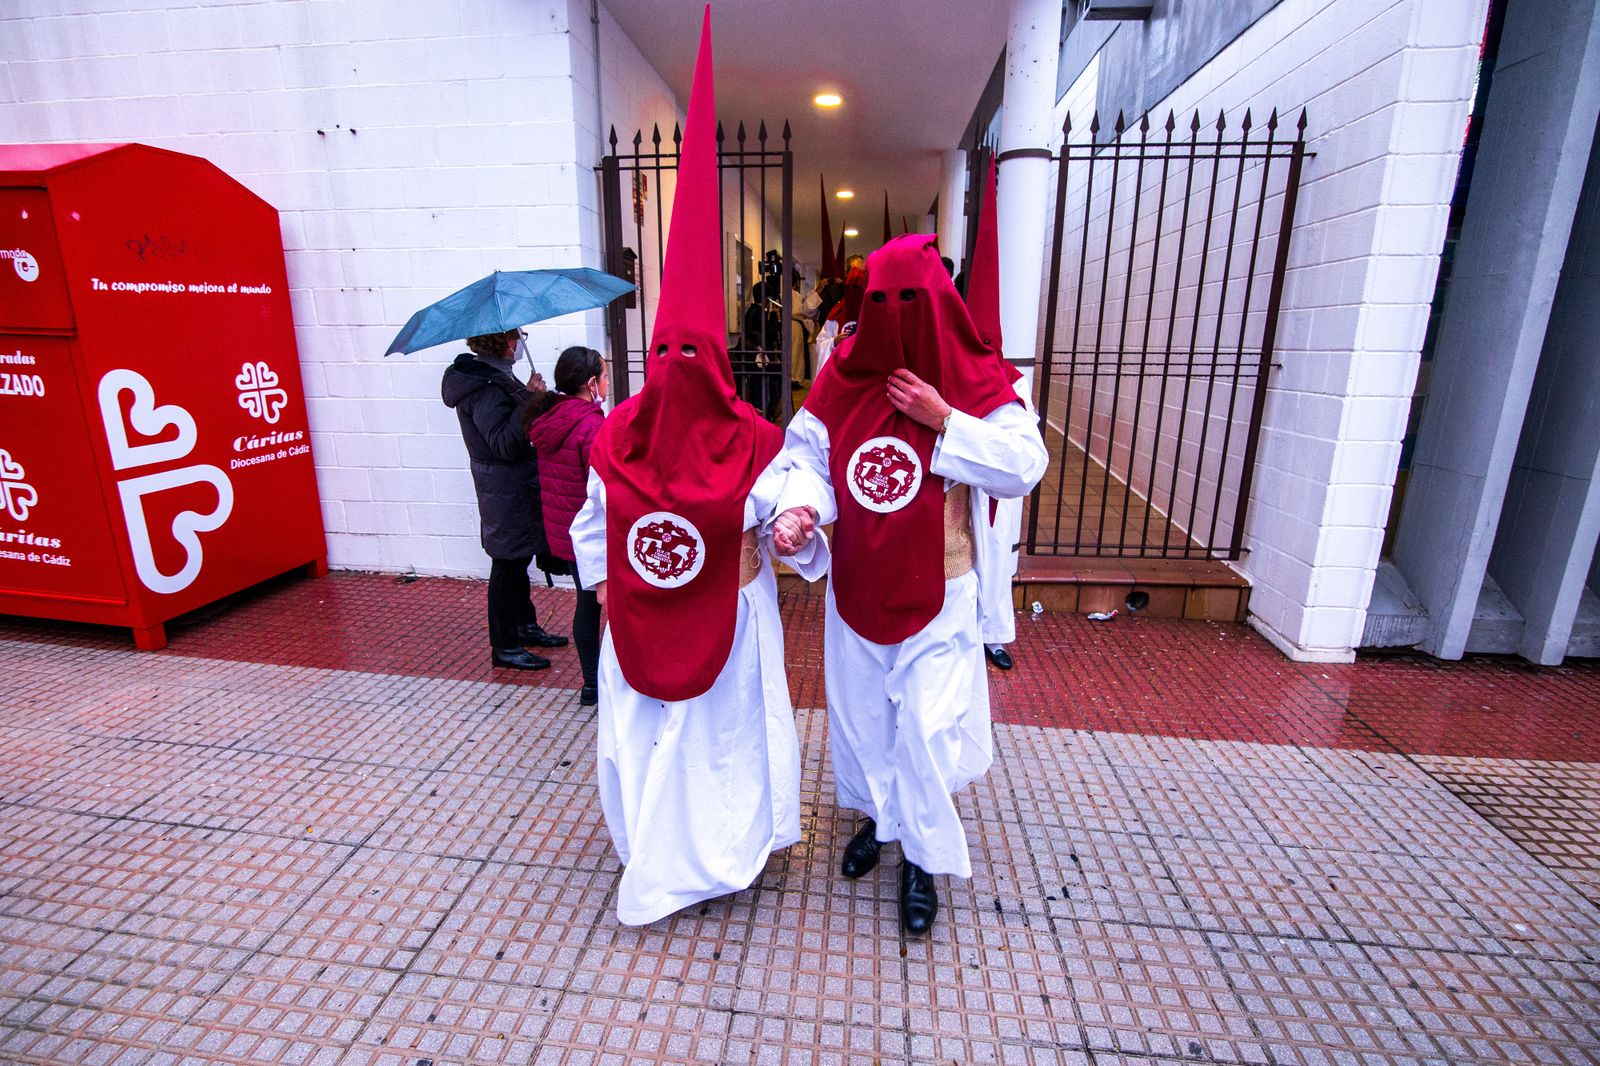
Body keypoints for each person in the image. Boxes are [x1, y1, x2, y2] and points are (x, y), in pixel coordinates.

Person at [571, 7, 810, 926]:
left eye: (690, 357)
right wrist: (598, 581)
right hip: (641, 618)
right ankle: (655, 854)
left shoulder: (755, 437)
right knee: (648, 738)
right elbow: (593, 521)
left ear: (713, 364)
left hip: (734, 618)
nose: (675, 372)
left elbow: (791, 487)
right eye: (659, 352)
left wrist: (793, 524)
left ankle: (722, 854)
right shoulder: (614, 435)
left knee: (720, 742)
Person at [775, 234, 1048, 935]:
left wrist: (945, 418)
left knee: (924, 728)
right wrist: (802, 506)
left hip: (942, 589)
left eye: (909, 301)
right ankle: (883, 821)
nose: (894, 315)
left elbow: (1024, 463)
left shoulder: (973, 374)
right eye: (882, 301)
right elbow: (807, 454)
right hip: (859, 586)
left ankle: (922, 860)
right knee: (867, 723)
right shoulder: (844, 374)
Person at [441, 329, 569, 670]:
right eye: (516, 337)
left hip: (515, 485)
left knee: (519, 558)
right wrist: (529, 399)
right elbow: (502, 443)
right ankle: (504, 645)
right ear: (499, 342)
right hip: (504, 486)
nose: (520, 342)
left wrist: (535, 400)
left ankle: (524, 626)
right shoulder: (484, 386)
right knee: (507, 563)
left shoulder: (497, 377)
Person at [527, 346, 609, 705]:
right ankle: (597, 685)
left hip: (565, 530)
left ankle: (592, 683)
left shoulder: (551, 417)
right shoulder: (590, 424)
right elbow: (604, 479)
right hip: (591, 532)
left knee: (586, 602)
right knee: (597, 604)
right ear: (591, 383)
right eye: (605, 376)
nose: (607, 383)